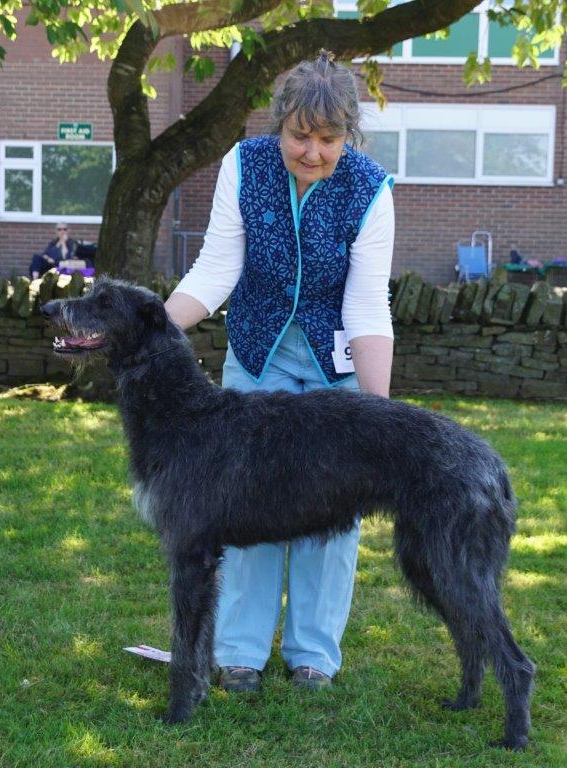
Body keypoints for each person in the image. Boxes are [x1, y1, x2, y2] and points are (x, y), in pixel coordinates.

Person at [165, 51, 395, 693]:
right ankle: (239, 652)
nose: (313, 152)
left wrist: (379, 413)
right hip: (257, 358)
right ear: (280, 126)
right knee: (243, 502)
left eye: (329, 139)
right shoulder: (244, 165)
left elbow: (367, 303)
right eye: (300, 135)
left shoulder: (371, 190)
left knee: (330, 513)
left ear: (348, 135)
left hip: (335, 369)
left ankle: (313, 657)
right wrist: (156, 324)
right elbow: (216, 270)